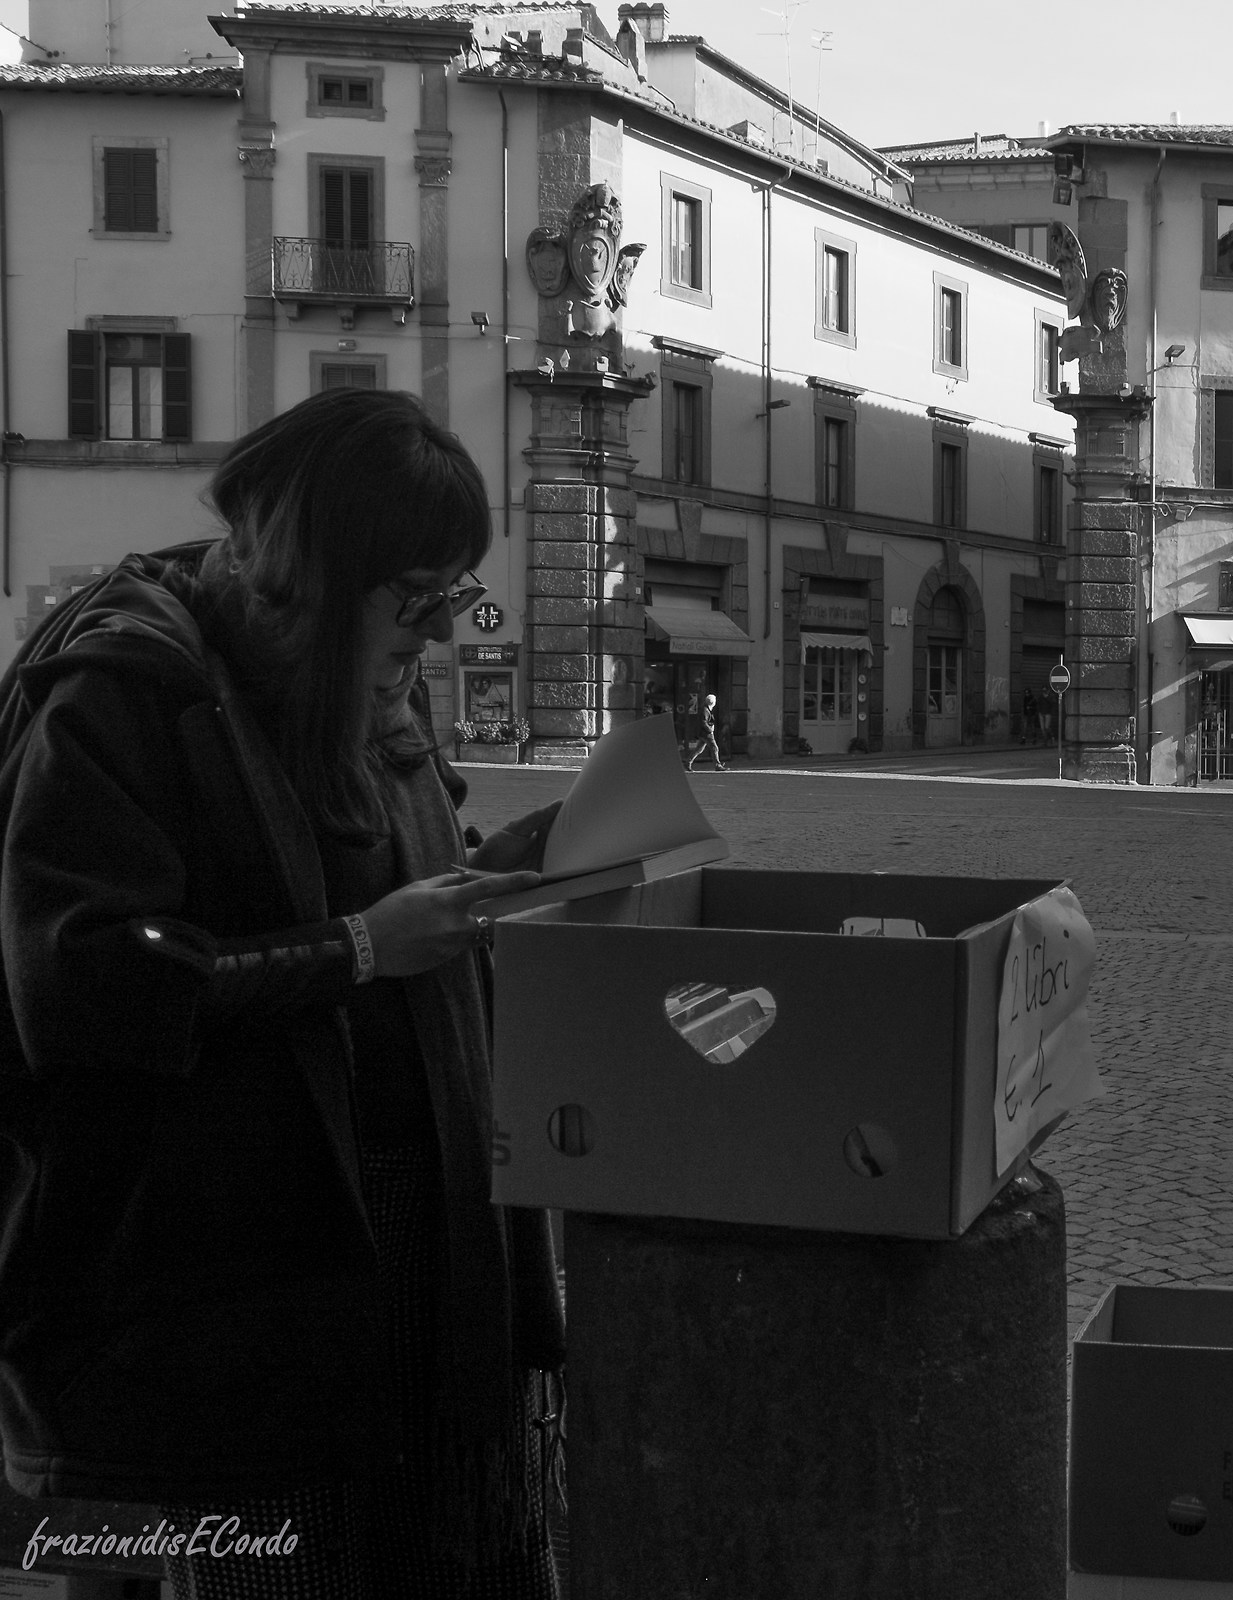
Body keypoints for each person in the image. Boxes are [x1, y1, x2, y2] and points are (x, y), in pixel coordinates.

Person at [0, 389, 566, 1598]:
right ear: (321, 571)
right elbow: (91, 980)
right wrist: (359, 948)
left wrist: (519, 870)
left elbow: (400, 865)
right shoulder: (123, 690)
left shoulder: (366, 678)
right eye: (416, 595)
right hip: (233, 1285)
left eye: (451, 592)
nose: (440, 626)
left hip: (410, 1245)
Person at [684, 690, 726, 771]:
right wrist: (710, 730)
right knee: (714, 748)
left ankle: (688, 762)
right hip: (706, 733)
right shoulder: (705, 710)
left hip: (703, 733)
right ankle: (717, 765)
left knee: (699, 749)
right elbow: (703, 722)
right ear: (713, 702)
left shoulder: (706, 709)